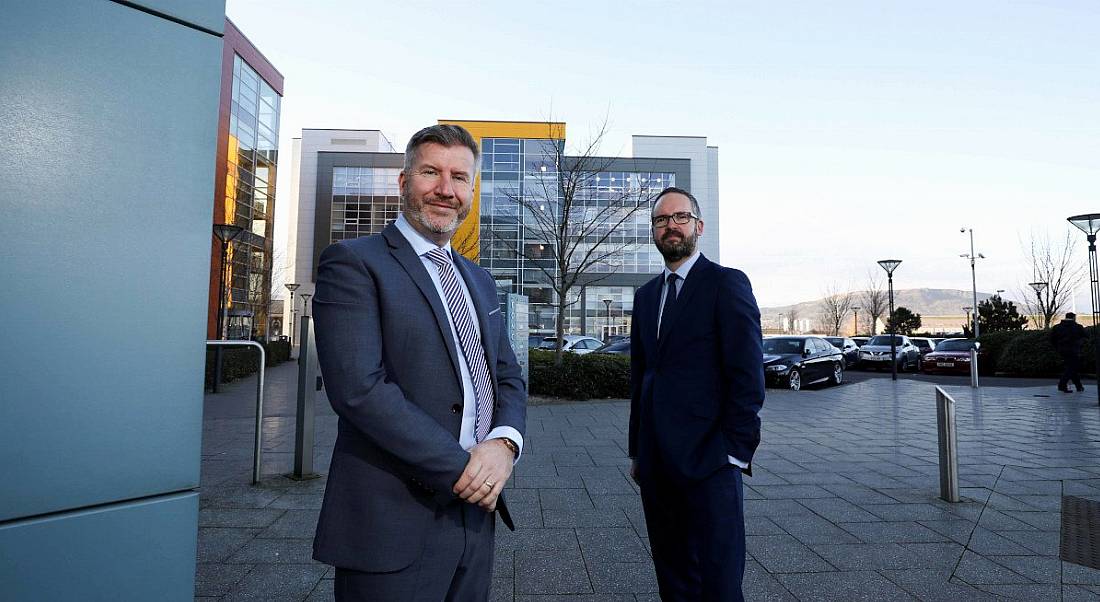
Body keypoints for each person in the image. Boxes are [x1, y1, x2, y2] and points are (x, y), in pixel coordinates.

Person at [311, 124, 526, 601]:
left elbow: (507, 374)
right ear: (404, 180)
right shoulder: (353, 263)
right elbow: (360, 390)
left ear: (472, 190)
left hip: (475, 517)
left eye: (460, 177)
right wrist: (467, 471)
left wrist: (504, 446)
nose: (446, 189)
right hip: (392, 519)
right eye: (431, 172)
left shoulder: (479, 279)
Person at [628, 187, 764, 601]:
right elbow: (642, 377)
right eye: (661, 219)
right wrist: (638, 452)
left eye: (680, 217)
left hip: (711, 463)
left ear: (698, 227)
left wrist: (734, 452)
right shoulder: (646, 296)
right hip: (658, 465)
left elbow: (747, 375)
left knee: (719, 583)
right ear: (653, 231)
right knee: (674, 579)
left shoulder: (726, 284)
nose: (670, 225)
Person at [1051, 311, 1087, 393]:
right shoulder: (1077, 327)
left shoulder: (1057, 327)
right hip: (1074, 350)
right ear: (1074, 318)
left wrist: (1057, 347)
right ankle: (1062, 385)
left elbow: (1052, 339)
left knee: (1071, 367)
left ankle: (1079, 386)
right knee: (1072, 368)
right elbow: (1085, 336)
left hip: (1062, 350)